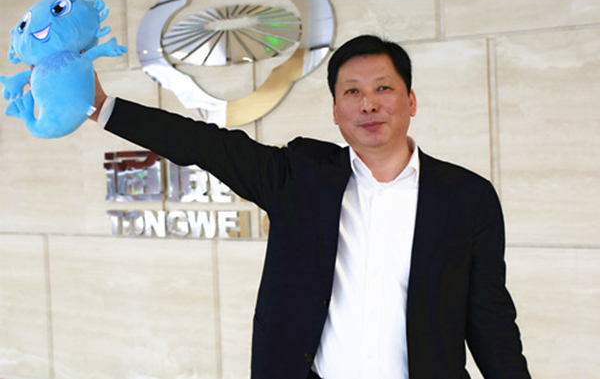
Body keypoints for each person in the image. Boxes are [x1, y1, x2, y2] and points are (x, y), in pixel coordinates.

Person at [91, 35, 530, 379]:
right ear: (336, 111)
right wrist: (104, 108)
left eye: (383, 88)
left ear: (411, 101)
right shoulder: (299, 177)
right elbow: (206, 145)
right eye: (352, 92)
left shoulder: (466, 196)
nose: (369, 103)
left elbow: (490, 318)